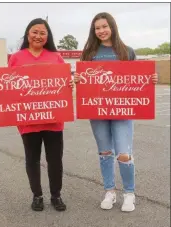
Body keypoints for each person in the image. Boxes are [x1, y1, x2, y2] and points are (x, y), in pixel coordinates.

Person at [74, 12, 158, 212]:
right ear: (93, 31)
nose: (101, 31)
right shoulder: (89, 54)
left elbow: (139, 78)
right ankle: (110, 191)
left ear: (112, 27)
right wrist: (78, 80)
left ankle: (129, 193)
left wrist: (151, 79)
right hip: (98, 110)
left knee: (123, 154)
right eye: (97, 28)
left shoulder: (126, 52)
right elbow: (84, 82)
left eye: (104, 26)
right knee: (104, 153)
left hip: (123, 109)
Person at [0, 18, 74, 212]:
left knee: (55, 160)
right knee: (32, 159)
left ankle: (56, 195)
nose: (38, 36)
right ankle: (37, 196)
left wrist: (70, 84)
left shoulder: (55, 57)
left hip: (54, 120)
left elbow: (64, 85)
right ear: (28, 33)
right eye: (34, 31)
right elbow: (8, 86)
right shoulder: (16, 58)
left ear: (48, 36)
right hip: (28, 122)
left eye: (42, 33)